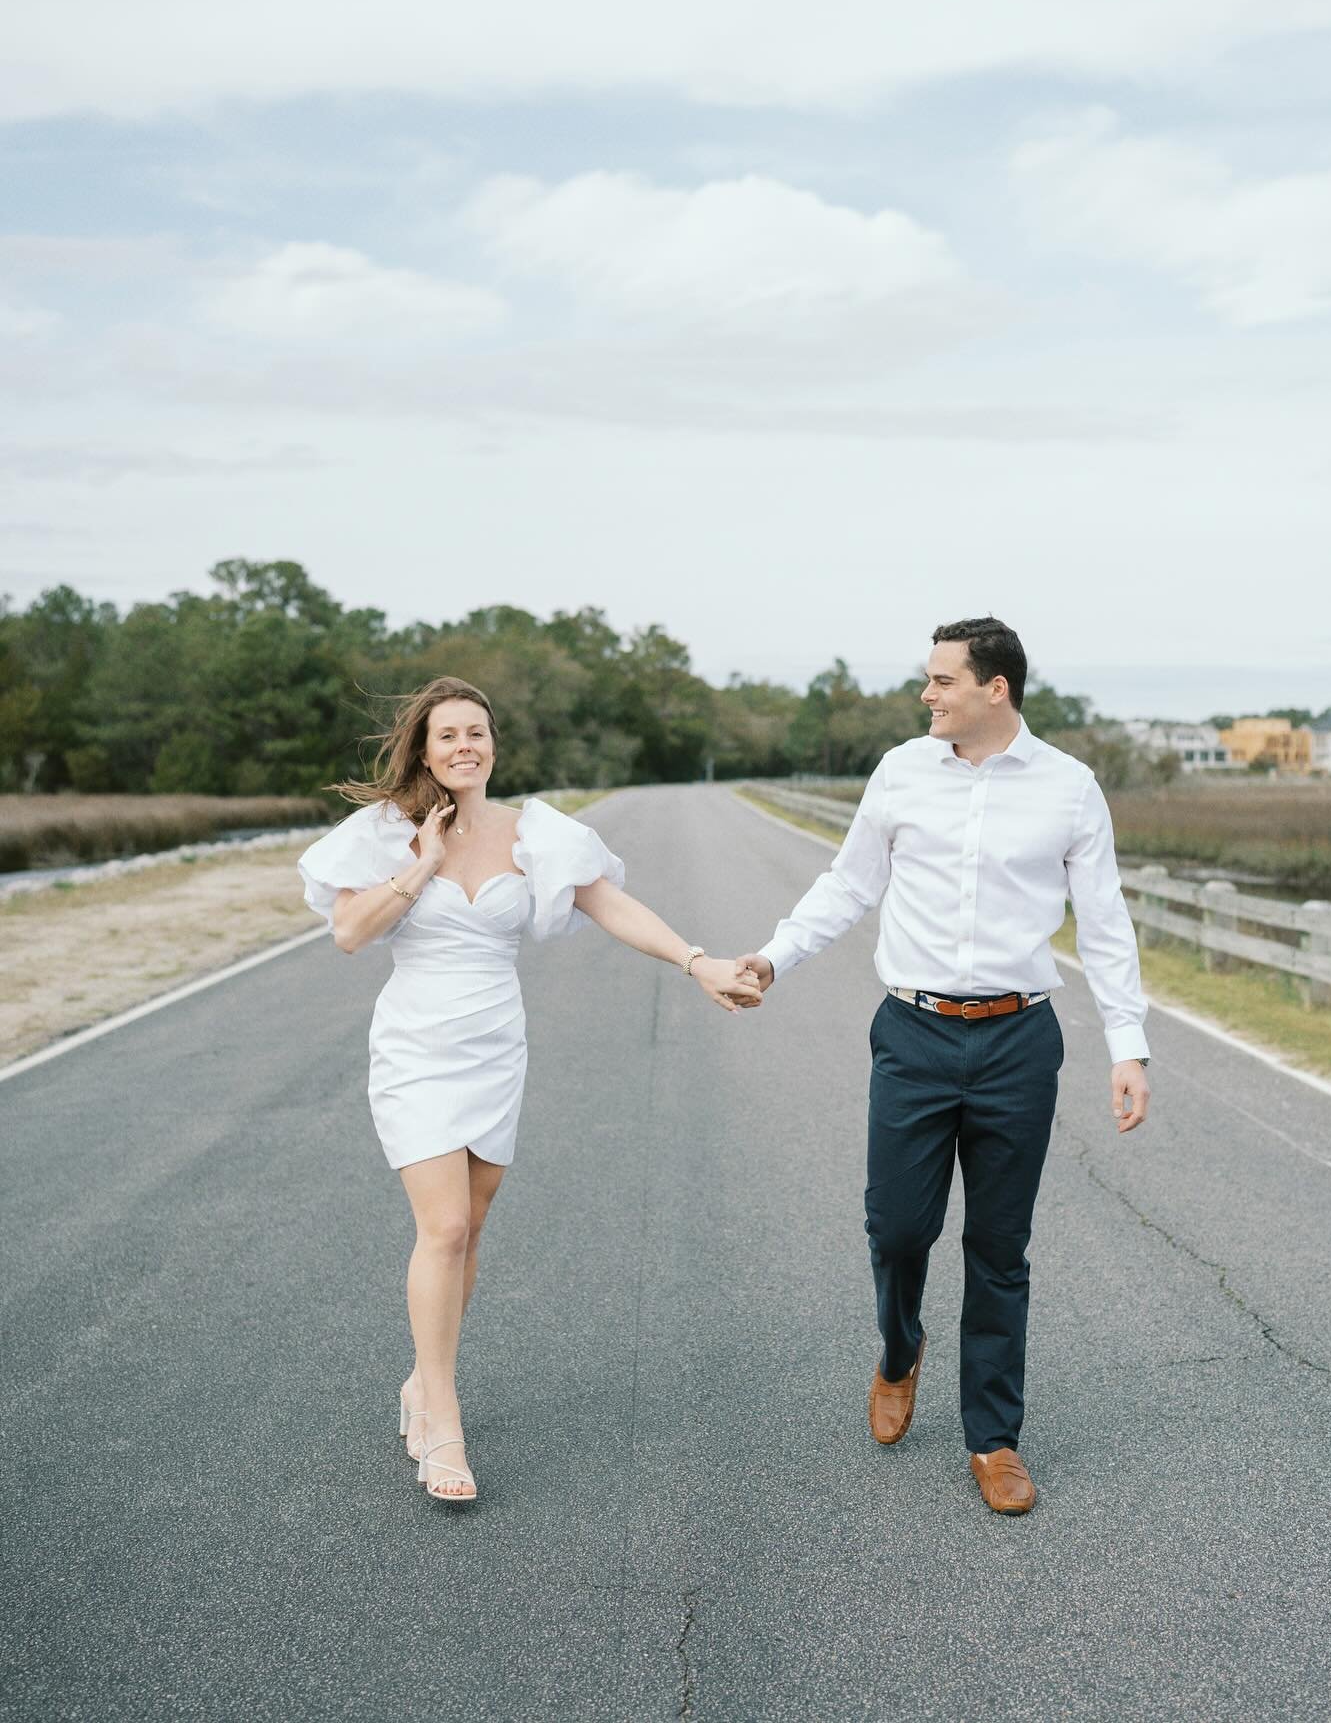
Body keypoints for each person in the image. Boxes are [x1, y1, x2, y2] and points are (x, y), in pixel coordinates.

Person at [298, 676, 759, 1503]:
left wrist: (699, 963)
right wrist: (424, 865)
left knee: (469, 1229)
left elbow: (613, 907)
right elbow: (347, 933)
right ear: (424, 748)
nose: (464, 746)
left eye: (477, 732)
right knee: (440, 1227)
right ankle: (442, 1417)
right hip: (417, 1046)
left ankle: (421, 1377)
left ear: (493, 745)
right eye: (448, 735)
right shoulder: (382, 834)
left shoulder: (535, 834)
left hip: (494, 1046)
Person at [737, 618, 1149, 1516]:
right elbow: (848, 884)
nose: (927, 694)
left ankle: (993, 1439)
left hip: (1017, 1041)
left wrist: (1129, 1045)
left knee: (1000, 1249)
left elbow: (1106, 924)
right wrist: (774, 956)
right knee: (896, 1229)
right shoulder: (900, 771)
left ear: (994, 688)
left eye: (941, 681)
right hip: (914, 1034)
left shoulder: (1069, 789)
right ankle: (899, 1350)